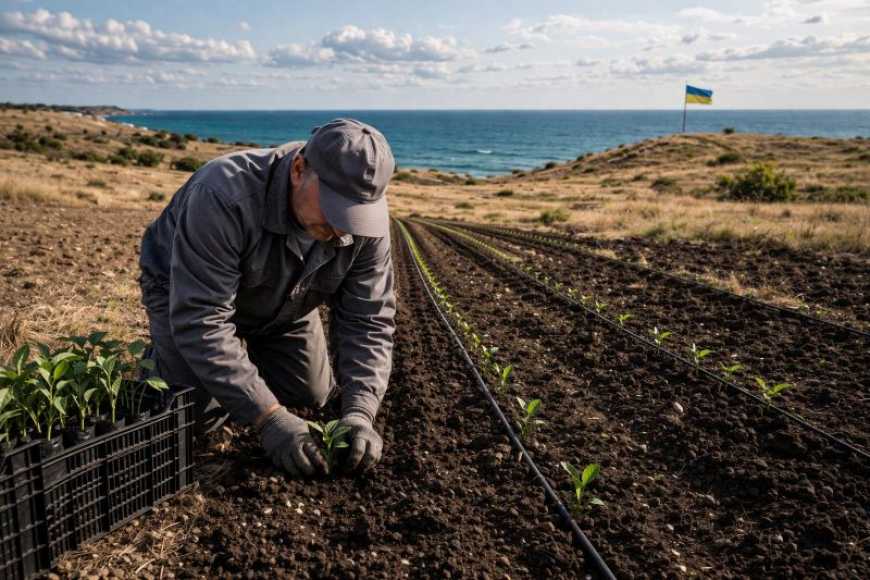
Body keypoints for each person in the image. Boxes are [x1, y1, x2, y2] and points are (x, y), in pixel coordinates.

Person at [138, 118, 396, 477]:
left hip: (285, 302)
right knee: (195, 414)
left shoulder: (364, 227)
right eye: (334, 207)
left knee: (311, 396)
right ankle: (163, 359)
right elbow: (202, 319)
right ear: (298, 169)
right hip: (185, 292)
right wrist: (269, 418)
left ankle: (242, 362)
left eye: (354, 214)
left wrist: (360, 411)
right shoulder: (223, 194)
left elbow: (368, 320)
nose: (342, 228)